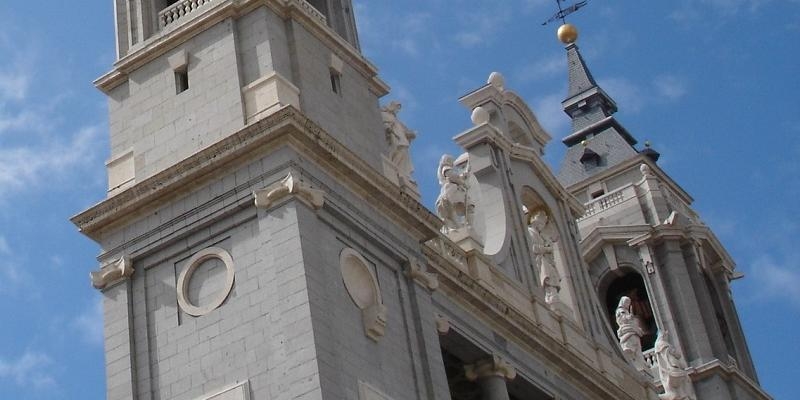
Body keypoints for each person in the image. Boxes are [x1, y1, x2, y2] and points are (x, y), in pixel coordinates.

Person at [528, 210, 561, 305]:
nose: (542, 226)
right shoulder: (529, 232)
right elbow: (533, 248)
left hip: (542, 259)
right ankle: (550, 292)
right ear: (535, 222)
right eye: (541, 223)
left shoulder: (539, 235)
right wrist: (546, 249)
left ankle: (551, 292)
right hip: (536, 260)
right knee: (546, 268)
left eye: (543, 224)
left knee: (550, 269)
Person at [654, 333, 695, 400]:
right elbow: (678, 355)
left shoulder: (659, 345)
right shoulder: (665, 345)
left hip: (671, 369)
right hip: (673, 368)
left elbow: (677, 355)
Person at [435, 154, 469, 233]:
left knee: (451, 211)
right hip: (450, 190)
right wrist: (463, 183)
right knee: (450, 208)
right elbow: (453, 177)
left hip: (450, 190)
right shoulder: (446, 168)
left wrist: (462, 176)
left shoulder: (445, 169)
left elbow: (455, 177)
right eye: (451, 161)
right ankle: (456, 226)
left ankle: (457, 226)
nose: (453, 163)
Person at [616, 296, 646, 371]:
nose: (628, 304)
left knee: (637, 347)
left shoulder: (626, 311)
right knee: (631, 345)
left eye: (628, 303)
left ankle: (640, 360)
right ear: (623, 302)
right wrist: (629, 317)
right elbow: (622, 319)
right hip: (627, 330)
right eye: (626, 302)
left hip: (632, 330)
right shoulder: (620, 311)